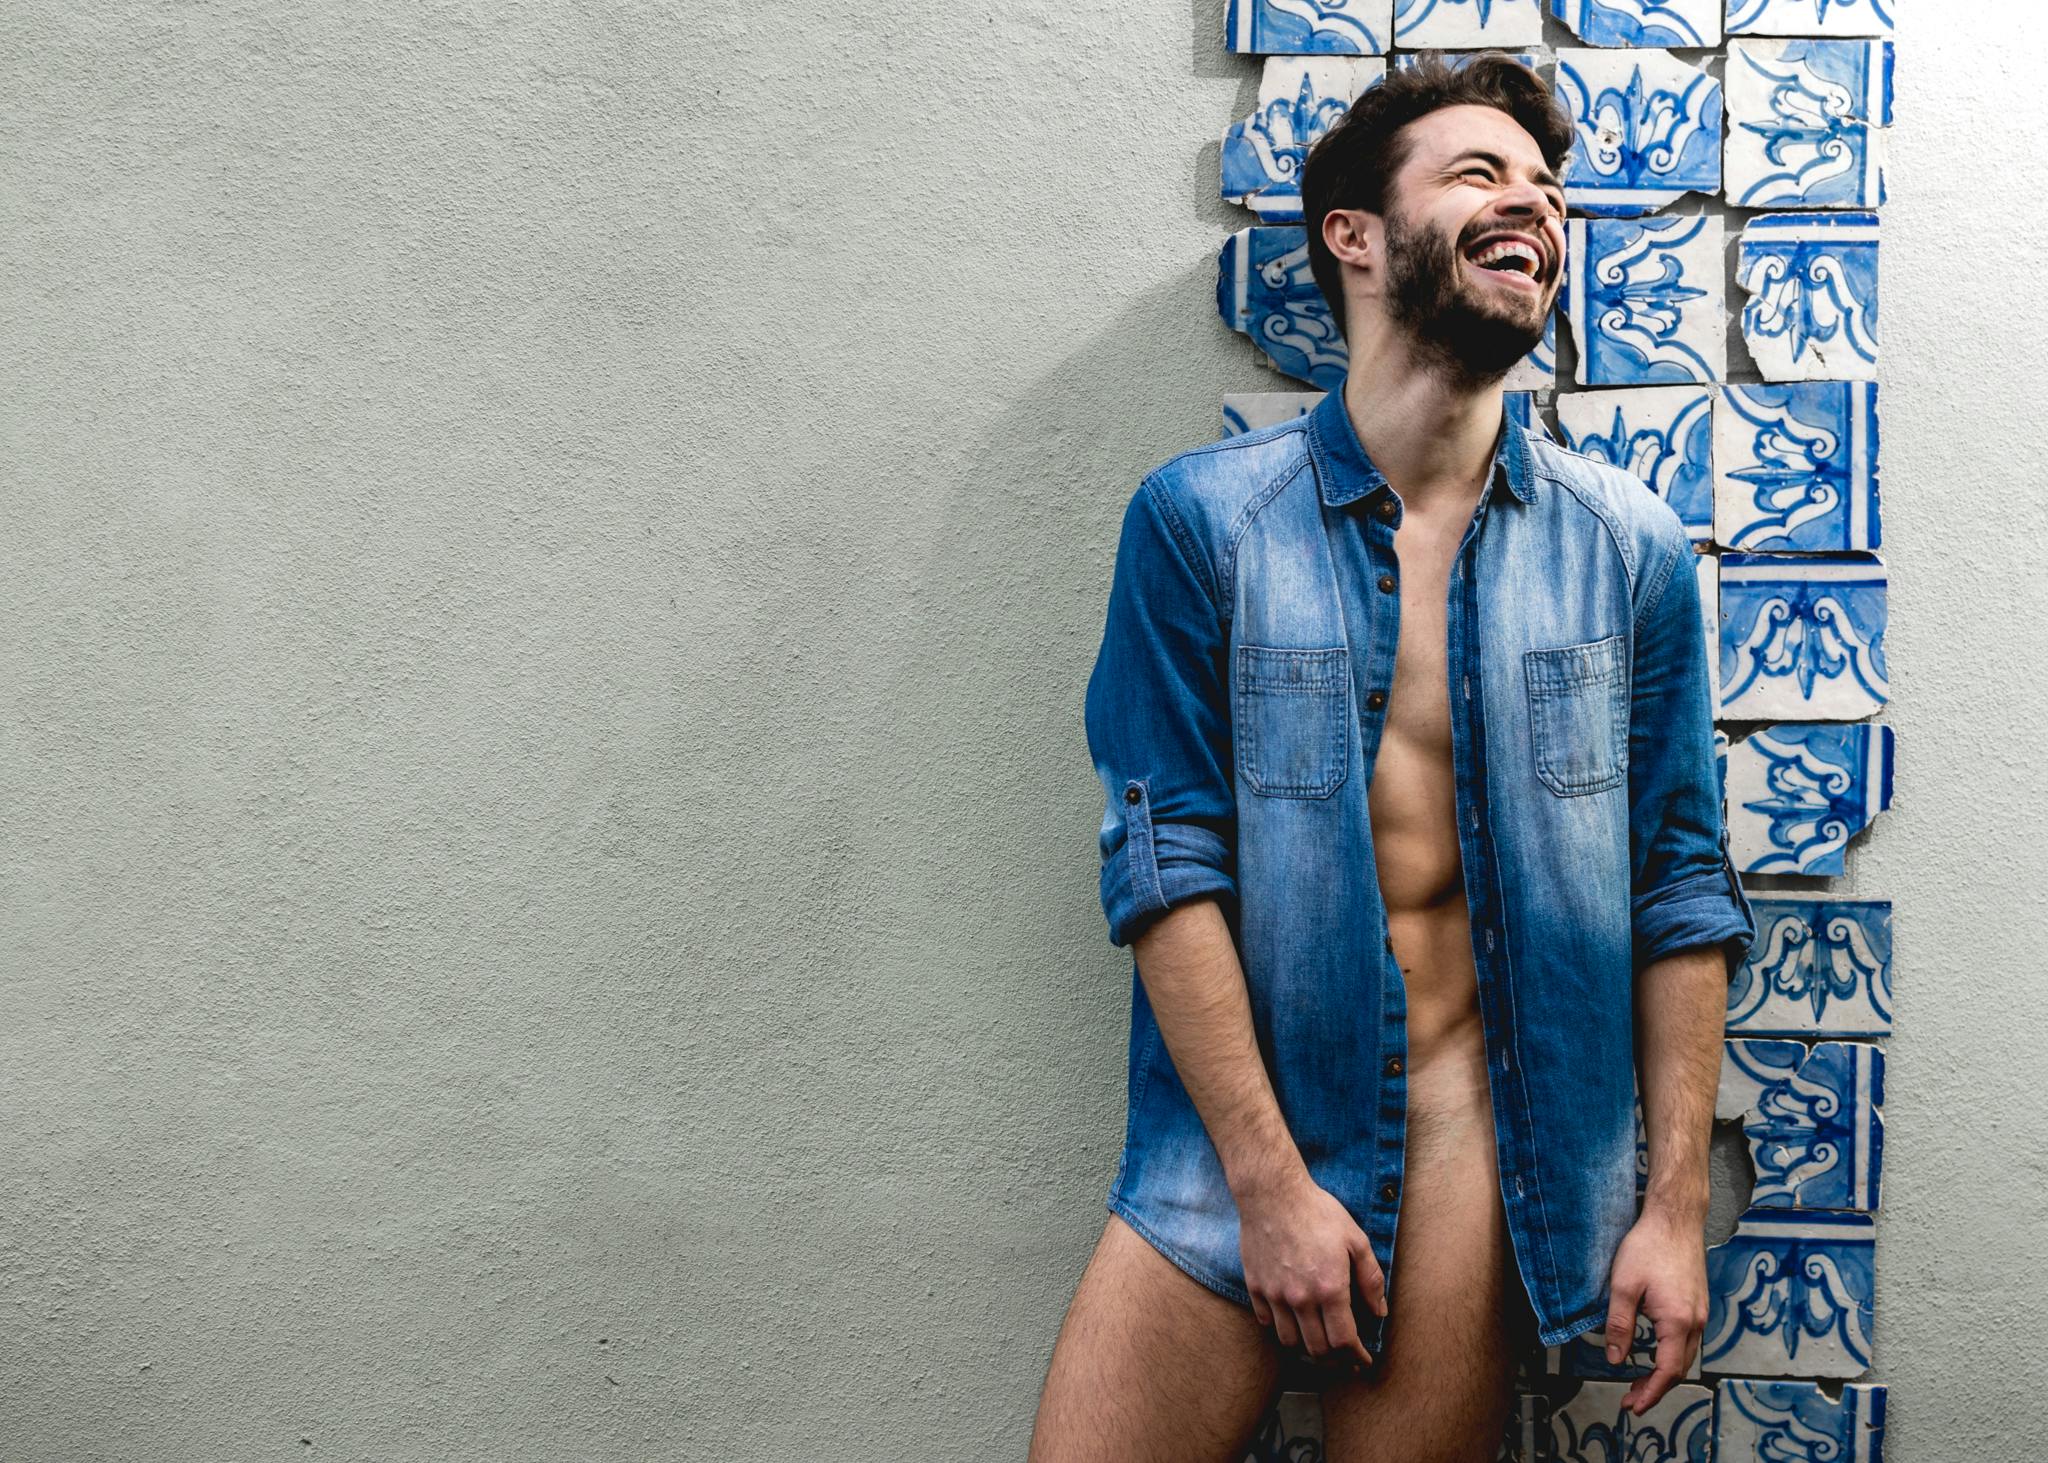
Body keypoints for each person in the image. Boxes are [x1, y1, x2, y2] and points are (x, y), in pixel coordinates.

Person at [1029, 54, 1756, 1463]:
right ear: (1354, 236)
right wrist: (1268, 1189)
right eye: (1481, 174)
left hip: (1471, 1166)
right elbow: (1165, 870)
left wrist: (1673, 1211)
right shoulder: (1203, 526)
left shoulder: (1630, 551)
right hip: (1222, 1167)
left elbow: (1679, 889)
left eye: (1547, 191)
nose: (1533, 205)